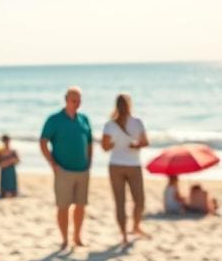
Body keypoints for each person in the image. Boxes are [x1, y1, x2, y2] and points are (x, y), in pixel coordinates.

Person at [40, 87, 93, 249]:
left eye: (79, 100)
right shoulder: (54, 119)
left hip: (83, 170)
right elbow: (43, 142)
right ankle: (64, 239)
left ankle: (77, 237)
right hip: (63, 170)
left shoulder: (84, 119)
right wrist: (53, 164)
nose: (77, 103)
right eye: (74, 100)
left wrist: (89, 162)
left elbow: (89, 142)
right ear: (66, 100)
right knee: (63, 206)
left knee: (81, 205)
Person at [101, 94, 148, 244]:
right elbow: (145, 142)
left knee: (122, 201)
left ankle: (127, 232)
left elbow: (105, 147)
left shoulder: (111, 124)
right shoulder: (135, 122)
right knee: (137, 200)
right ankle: (132, 229)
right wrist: (133, 145)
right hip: (129, 165)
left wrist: (116, 144)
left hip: (119, 165)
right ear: (130, 105)